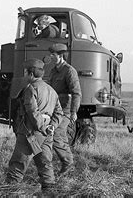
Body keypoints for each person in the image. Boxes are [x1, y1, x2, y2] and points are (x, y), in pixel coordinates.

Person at [6, 58, 63, 190]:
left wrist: (42, 127)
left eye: (25, 72)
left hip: (30, 133)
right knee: (45, 164)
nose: (24, 75)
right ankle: (49, 192)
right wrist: (51, 127)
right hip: (47, 133)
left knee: (17, 165)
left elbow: (32, 111)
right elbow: (59, 112)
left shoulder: (31, 89)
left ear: (31, 74)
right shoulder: (52, 91)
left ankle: (8, 191)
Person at [47, 43, 82, 174]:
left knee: (56, 134)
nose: (50, 57)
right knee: (56, 135)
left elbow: (76, 93)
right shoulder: (53, 71)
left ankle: (68, 163)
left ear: (61, 56)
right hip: (54, 109)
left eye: (53, 55)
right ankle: (64, 163)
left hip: (65, 110)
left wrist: (74, 112)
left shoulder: (69, 71)